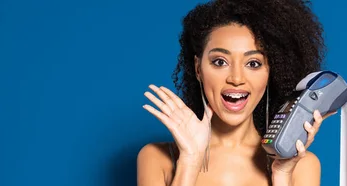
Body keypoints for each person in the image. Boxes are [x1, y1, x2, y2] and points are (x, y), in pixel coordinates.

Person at [138, 0, 335, 185]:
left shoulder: (302, 166)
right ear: (198, 69)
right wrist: (189, 161)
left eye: (253, 63)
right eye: (220, 62)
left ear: (271, 73)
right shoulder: (156, 158)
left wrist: (282, 174)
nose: (236, 78)